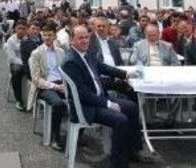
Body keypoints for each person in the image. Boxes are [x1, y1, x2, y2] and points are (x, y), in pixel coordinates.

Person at [60, 26, 158, 168]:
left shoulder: (86, 53)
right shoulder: (71, 61)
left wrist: (124, 74)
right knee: (121, 120)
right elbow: (83, 94)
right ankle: (118, 163)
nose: (85, 41)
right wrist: (107, 104)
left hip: (98, 99)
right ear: (72, 40)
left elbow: (103, 67)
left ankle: (132, 151)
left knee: (131, 107)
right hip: (86, 107)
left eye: (86, 37)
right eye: (80, 38)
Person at [28, 21, 67, 151]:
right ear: (41, 36)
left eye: (50, 35)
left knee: (82, 98)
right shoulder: (36, 53)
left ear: (55, 36)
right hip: (44, 86)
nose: (47, 38)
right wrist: (55, 87)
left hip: (60, 83)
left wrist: (64, 84)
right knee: (58, 104)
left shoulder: (61, 52)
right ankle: (55, 137)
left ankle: (78, 133)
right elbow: (36, 79)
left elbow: (65, 71)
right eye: (45, 35)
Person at [4, 20, 28, 111]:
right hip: (16, 64)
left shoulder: (28, 38)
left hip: (27, 63)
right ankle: (19, 100)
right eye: (19, 28)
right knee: (17, 72)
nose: (21, 31)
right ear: (15, 29)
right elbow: (12, 58)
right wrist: (25, 63)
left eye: (23, 29)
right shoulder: (11, 40)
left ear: (26, 30)